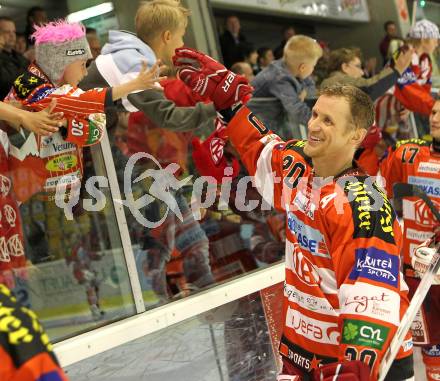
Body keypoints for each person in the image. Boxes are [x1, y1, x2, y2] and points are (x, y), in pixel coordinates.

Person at [172, 48, 414, 380]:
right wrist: (229, 104)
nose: (313, 125)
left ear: (355, 136)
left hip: (359, 363)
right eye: (315, 114)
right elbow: (261, 148)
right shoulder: (299, 162)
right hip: (303, 353)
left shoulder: (363, 204)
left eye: (328, 121)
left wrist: (355, 367)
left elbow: (372, 296)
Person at [4, 20, 164, 203]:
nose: (86, 73)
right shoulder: (27, 83)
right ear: (62, 62)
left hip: (57, 188)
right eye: (82, 64)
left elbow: (96, 130)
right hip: (19, 189)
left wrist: (66, 123)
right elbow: (76, 103)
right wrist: (129, 86)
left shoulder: (68, 90)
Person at [80, 0, 216, 131]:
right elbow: (168, 118)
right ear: (167, 36)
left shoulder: (130, 55)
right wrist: (219, 107)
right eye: (181, 36)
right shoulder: (135, 66)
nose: (182, 44)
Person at [379, 97, 440, 381]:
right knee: (431, 348)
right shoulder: (410, 154)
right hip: (416, 273)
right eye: (435, 112)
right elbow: (375, 183)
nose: (436, 117)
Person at [250, 35, 322, 139]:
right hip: (258, 130)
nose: (313, 69)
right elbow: (297, 111)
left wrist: (305, 91)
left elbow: (311, 87)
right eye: (313, 66)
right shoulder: (279, 77)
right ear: (303, 67)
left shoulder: (293, 69)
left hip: (273, 126)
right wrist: (320, 125)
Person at [320, 46, 412, 101]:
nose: (362, 72)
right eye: (358, 66)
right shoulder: (337, 81)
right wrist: (396, 71)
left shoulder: (333, 82)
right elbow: (369, 88)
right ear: (345, 67)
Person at [393, 19, 439, 117]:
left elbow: (424, 90)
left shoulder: (425, 61)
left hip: (398, 113)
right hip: (380, 110)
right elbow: (407, 87)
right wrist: (434, 107)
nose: (436, 44)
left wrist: (412, 107)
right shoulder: (403, 54)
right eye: (435, 40)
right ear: (423, 39)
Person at [0, 17, 29, 99]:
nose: (12, 35)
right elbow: (5, 83)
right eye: (7, 32)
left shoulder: (22, 58)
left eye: (14, 32)